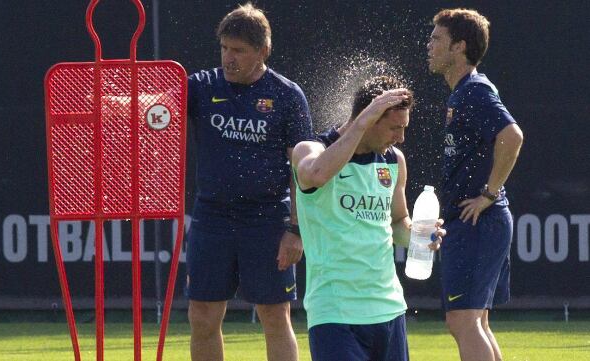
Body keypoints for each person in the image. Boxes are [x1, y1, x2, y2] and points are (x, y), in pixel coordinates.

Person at [185, 3, 313, 361]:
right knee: (203, 316)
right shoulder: (202, 85)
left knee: (275, 315)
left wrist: (296, 229)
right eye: (224, 48)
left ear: (263, 50)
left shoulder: (288, 96)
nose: (229, 57)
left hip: (267, 218)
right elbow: (156, 106)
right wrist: (117, 101)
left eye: (238, 50)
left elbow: (302, 170)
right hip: (212, 217)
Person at [291, 76, 445, 361]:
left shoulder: (393, 160)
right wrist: (361, 123)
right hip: (335, 313)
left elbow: (398, 224)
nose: (400, 137)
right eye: (394, 128)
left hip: (388, 309)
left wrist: (420, 235)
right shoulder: (312, 149)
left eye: (404, 128)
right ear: (368, 119)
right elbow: (315, 175)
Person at [426, 8, 524, 361]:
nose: (429, 45)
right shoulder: (462, 93)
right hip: (477, 222)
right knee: (475, 321)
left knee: (463, 320)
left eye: (437, 39)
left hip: (478, 221)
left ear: (459, 47)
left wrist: (488, 194)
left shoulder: (474, 90)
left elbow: (512, 136)